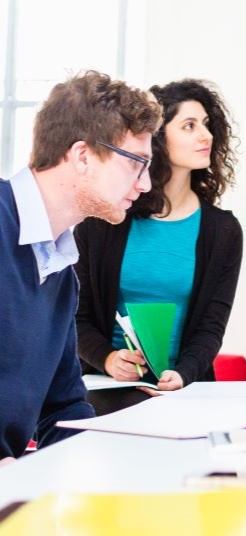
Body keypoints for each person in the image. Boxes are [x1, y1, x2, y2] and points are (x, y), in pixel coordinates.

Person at [0, 70, 162, 460]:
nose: (146, 185)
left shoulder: (60, 273)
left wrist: (107, 467)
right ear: (83, 155)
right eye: (136, 163)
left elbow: (63, 409)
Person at [74, 79, 243, 415]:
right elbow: (76, 316)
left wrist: (183, 374)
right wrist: (108, 359)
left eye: (207, 125)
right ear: (158, 139)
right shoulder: (103, 220)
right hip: (106, 390)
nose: (205, 136)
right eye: (189, 126)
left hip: (187, 391)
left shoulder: (223, 231)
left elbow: (212, 325)